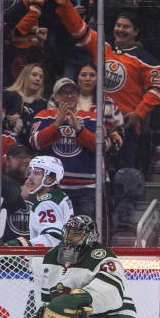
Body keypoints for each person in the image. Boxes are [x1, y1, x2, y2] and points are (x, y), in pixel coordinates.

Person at [53, 0, 160, 169]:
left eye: (126, 27)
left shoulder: (147, 60)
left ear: (136, 31)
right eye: (118, 25)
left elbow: (157, 90)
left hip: (125, 124)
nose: (120, 30)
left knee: (122, 173)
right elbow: (79, 30)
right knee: (94, 169)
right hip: (95, 120)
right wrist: (65, 5)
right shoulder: (103, 47)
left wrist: (138, 113)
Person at [30, 78, 98, 218]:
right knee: (52, 233)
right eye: (64, 93)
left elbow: (100, 146)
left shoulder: (91, 118)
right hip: (53, 187)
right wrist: (57, 124)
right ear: (55, 96)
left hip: (84, 189)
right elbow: (35, 142)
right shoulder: (44, 116)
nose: (69, 96)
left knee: (81, 234)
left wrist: (79, 129)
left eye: (73, 92)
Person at [4, 155, 74, 248]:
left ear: (50, 179)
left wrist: (26, 244)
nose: (30, 177)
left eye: (36, 173)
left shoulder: (46, 203)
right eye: (30, 172)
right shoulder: (59, 195)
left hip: (50, 259)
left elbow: (53, 236)